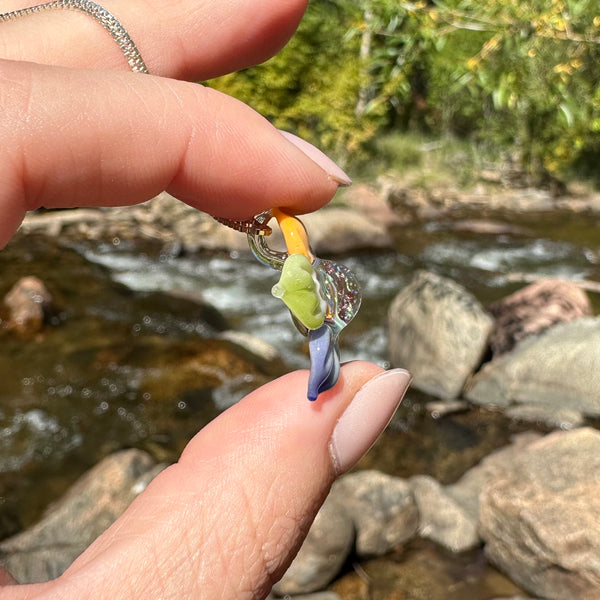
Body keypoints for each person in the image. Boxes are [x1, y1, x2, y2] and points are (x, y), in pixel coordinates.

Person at [0, 1, 411, 597]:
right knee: (321, 357)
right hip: (307, 302)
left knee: (322, 351)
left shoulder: (298, 265)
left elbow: (302, 272)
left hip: (312, 306)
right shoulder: (291, 264)